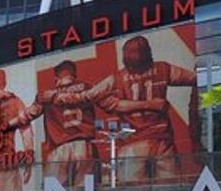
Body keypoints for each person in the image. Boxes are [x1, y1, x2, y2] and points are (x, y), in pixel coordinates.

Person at [51, 35, 199, 183]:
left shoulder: (116, 78)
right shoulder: (163, 69)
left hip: (133, 143)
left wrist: (59, 97)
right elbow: (197, 78)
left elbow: (88, 96)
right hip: (161, 140)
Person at [17, 59, 98, 189]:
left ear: (56, 77)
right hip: (84, 146)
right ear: (74, 74)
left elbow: (28, 115)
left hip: (58, 147)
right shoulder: (88, 87)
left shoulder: (45, 95)